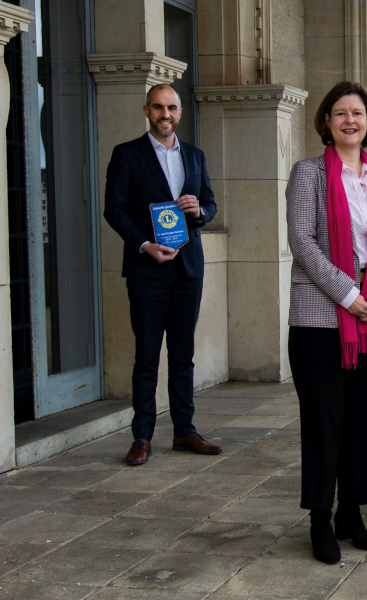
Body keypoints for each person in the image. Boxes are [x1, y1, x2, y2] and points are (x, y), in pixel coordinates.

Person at [285, 82, 367, 564]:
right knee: (323, 424)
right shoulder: (308, 173)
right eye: (339, 113)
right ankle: (320, 521)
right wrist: (351, 295)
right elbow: (303, 242)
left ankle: (351, 514)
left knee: (358, 423)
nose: (349, 121)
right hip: (318, 321)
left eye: (357, 113)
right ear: (326, 122)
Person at [104, 84, 222, 467]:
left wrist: (199, 211)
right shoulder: (127, 154)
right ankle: (142, 437)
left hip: (188, 269)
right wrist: (144, 245)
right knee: (147, 355)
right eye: (158, 107)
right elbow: (114, 209)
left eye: (171, 107)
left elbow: (210, 202)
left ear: (180, 112)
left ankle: (184, 430)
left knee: (183, 355)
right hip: (147, 269)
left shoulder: (195, 155)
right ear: (147, 110)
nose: (165, 114)